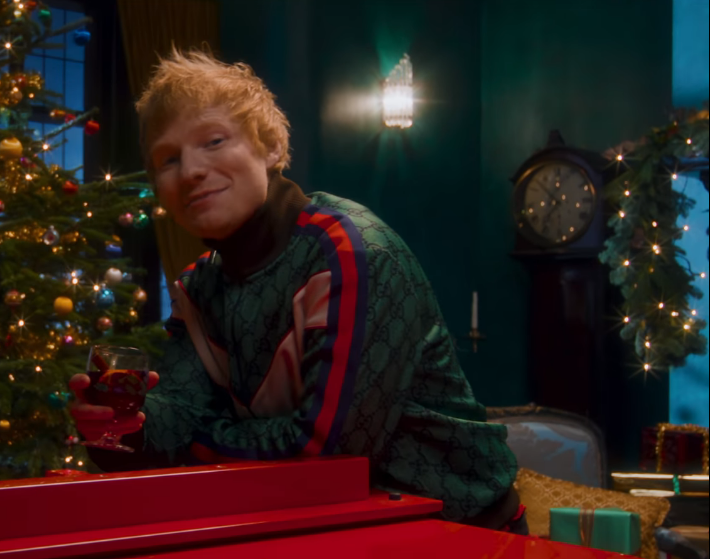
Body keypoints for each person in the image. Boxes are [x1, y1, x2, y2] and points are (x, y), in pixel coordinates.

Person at [68, 49, 525, 534]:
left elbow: (328, 452)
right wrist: (124, 428)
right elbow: (177, 410)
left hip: (463, 530)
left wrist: (192, 439)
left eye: (214, 141)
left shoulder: (350, 251)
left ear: (269, 147)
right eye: (168, 159)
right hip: (327, 531)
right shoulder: (198, 286)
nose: (191, 171)